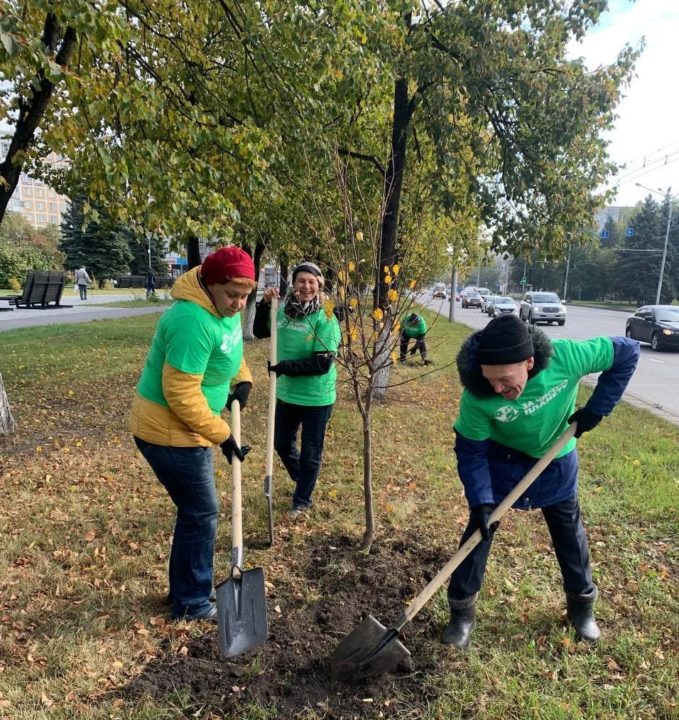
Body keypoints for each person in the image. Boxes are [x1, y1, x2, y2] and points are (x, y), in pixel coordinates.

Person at [442, 314, 639, 647]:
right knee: (480, 531)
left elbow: (627, 352)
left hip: (555, 457)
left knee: (568, 532)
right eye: (491, 381)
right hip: (502, 460)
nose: (498, 390)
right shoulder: (476, 395)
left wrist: (597, 409)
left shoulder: (567, 357)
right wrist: (480, 502)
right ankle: (462, 613)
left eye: (505, 380)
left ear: (529, 361)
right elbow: (471, 451)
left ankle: (582, 606)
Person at [129, 246, 256, 621]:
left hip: (190, 427)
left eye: (245, 295)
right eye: (231, 294)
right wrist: (223, 435)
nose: (238, 304)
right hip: (166, 430)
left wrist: (243, 378)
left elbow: (230, 346)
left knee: (196, 511)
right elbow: (180, 394)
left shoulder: (222, 310)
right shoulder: (190, 320)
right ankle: (191, 602)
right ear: (208, 284)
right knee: (201, 511)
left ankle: (185, 594)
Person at [253, 261, 341, 519]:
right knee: (281, 444)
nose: (306, 286)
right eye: (301, 281)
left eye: (312, 281)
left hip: (317, 397)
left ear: (320, 284)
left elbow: (322, 363)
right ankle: (304, 479)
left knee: (311, 452)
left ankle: (302, 500)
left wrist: (284, 367)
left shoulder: (326, 315)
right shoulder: (283, 311)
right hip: (286, 394)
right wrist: (264, 305)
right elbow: (259, 332)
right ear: (294, 284)